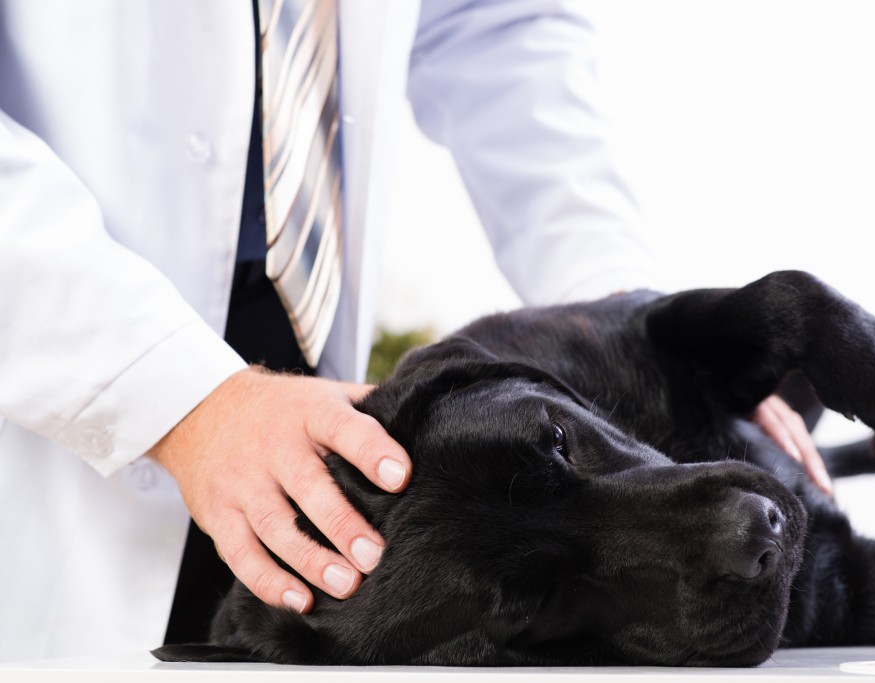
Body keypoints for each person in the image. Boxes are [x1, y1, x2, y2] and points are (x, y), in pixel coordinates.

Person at [0, 0, 829, 661]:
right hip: (60, 380)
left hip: (315, 376)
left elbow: (495, 23)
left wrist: (617, 317)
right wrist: (176, 395)